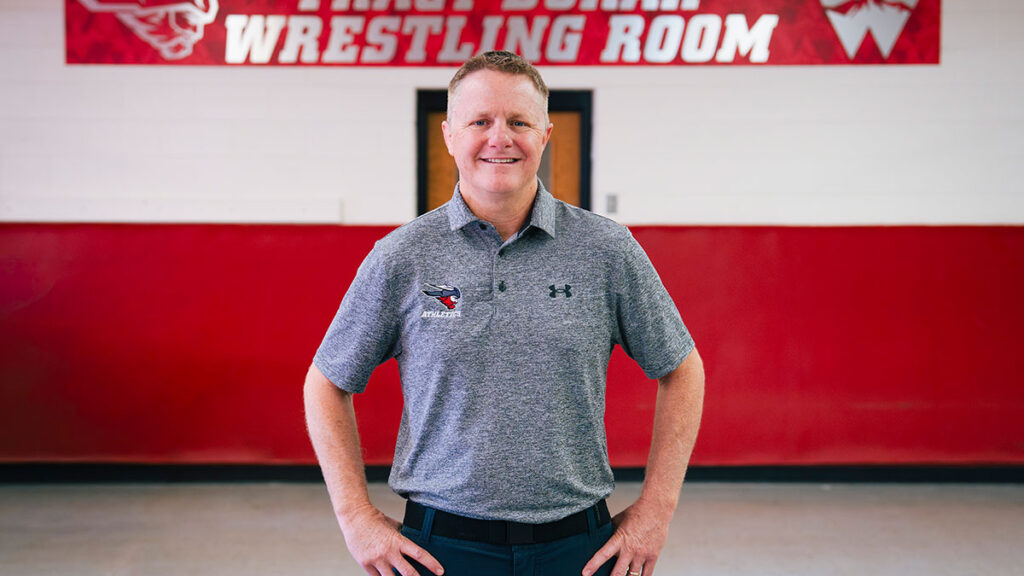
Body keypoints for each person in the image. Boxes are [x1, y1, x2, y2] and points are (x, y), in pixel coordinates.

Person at [304, 50, 704, 576]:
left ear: (545, 134)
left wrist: (657, 510)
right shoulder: (402, 257)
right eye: (480, 121)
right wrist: (355, 517)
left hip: (579, 549)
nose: (500, 138)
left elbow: (683, 369)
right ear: (449, 135)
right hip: (438, 549)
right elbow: (325, 382)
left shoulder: (606, 250)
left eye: (519, 121)